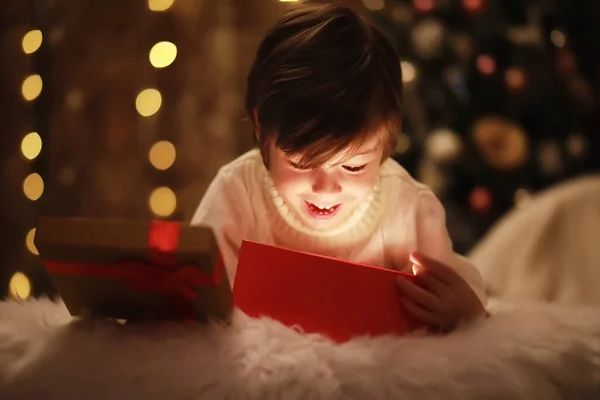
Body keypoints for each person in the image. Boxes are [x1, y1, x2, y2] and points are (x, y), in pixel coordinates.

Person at [192, 4, 486, 333]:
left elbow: (455, 327)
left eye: (354, 166)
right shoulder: (238, 193)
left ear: (385, 147)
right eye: (302, 163)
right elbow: (196, 307)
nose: (326, 188)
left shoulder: (409, 210)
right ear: (262, 128)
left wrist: (467, 314)